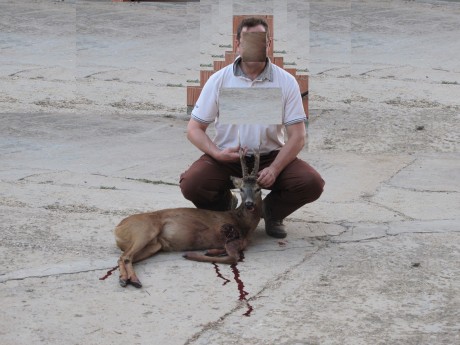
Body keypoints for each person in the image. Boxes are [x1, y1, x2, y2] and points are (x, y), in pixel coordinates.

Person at [180, 17, 324, 239]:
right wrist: (217, 153)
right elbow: (194, 129)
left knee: (311, 183)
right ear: (237, 44)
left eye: (260, 40)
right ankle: (227, 206)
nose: (253, 46)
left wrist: (275, 168)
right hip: (228, 158)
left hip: (269, 157)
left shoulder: (285, 82)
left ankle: (271, 212)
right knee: (193, 184)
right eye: (247, 40)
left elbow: (298, 136)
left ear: (268, 44)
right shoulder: (219, 80)